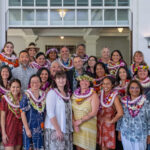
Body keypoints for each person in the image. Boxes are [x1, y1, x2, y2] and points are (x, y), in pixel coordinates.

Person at [117, 80, 150, 150]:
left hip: (141, 135)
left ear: (140, 89)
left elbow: (149, 119)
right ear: (129, 89)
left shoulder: (146, 102)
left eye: (137, 88)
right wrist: (119, 131)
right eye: (132, 88)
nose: (134, 90)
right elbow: (120, 117)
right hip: (125, 133)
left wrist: (149, 134)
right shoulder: (124, 102)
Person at [44, 71, 73, 150]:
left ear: (66, 80)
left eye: (63, 78)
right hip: (55, 129)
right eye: (59, 78)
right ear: (55, 80)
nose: (61, 80)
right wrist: (58, 130)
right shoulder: (52, 93)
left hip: (66, 128)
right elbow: (50, 113)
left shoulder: (67, 94)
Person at [72, 74, 99, 150]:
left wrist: (80, 121)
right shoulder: (74, 95)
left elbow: (94, 112)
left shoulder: (93, 95)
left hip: (88, 127)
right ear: (79, 82)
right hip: (77, 126)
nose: (84, 82)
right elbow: (71, 111)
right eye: (82, 80)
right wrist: (74, 123)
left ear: (90, 83)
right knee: (78, 147)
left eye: (87, 80)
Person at [20, 75, 46, 150]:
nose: (35, 84)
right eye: (33, 82)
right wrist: (27, 129)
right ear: (30, 84)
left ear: (40, 83)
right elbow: (22, 113)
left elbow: (45, 112)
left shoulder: (43, 95)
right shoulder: (26, 96)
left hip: (40, 128)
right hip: (29, 127)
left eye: (37, 81)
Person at [97, 76, 123, 150]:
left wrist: (112, 121)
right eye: (104, 84)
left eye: (108, 84)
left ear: (112, 85)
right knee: (99, 146)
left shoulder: (114, 96)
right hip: (98, 124)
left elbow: (120, 113)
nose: (105, 86)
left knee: (105, 148)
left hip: (107, 126)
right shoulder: (100, 94)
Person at [0, 79, 23, 149]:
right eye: (13, 87)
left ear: (20, 88)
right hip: (9, 130)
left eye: (17, 87)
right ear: (9, 87)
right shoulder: (5, 99)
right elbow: (2, 117)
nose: (15, 89)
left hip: (19, 129)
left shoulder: (23, 99)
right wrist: (3, 133)